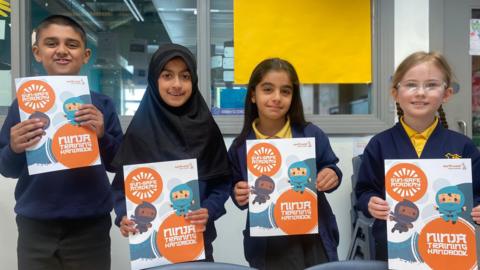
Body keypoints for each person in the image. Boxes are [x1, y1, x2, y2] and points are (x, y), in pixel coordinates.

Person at [0, 15, 122, 270]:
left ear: (86, 55)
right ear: (37, 52)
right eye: (52, 43)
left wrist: (102, 135)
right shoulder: (22, 106)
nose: (62, 51)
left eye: (72, 44)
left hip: (90, 225)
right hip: (36, 224)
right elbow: (7, 169)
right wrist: (14, 148)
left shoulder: (101, 105)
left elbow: (117, 164)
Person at [355, 51, 480, 260]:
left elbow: (476, 193)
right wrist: (370, 203)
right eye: (411, 84)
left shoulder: (463, 147)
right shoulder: (379, 144)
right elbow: (364, 191)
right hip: (394, 247)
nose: (421, 92)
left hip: (447, 246)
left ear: (446, 94)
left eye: (431, 85)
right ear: (396, 93)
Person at [111, 43, 231, 262]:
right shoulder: (139, 132)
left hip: (197, 246)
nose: (177, 84)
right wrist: (123, 216)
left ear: (193, 81)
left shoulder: (206, 128)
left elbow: (222, 182)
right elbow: (121, 188)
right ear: (154, 80)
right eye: (167, 75)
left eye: (185, 76)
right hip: (150, 252)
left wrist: (209, 209)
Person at [228, 58, 342, 270]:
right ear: (253, 95)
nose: (276, 98)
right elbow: (235, 189)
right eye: (268, 89)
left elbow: (332, 167)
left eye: (285, 91)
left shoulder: (311, 134)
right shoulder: (239, 147)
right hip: (268, 244)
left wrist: (331, 174)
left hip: (313, 238)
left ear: (293, 97)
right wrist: (238, 193)